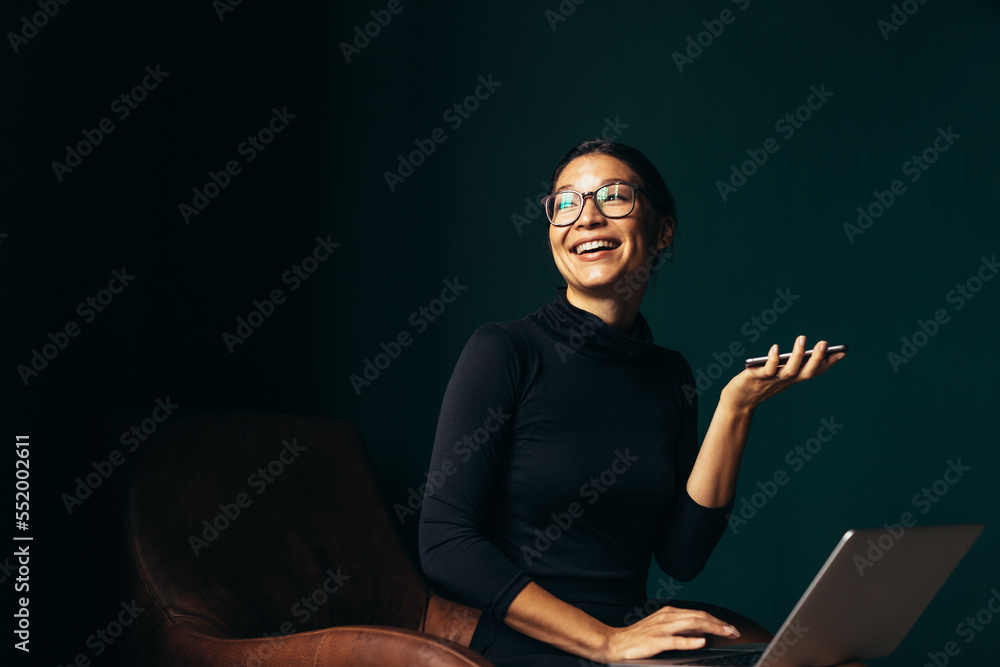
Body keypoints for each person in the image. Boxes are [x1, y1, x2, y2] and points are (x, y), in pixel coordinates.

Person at [418, 138, 846, 664]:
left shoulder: (670, 375)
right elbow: (444, 544)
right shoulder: (504, 350)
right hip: (526, 647)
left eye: (613, 196)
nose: (587, 218)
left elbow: (682, 556)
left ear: (662, 231)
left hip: (634, 644)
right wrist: (605, 641)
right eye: (566, 203)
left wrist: (736, 408)